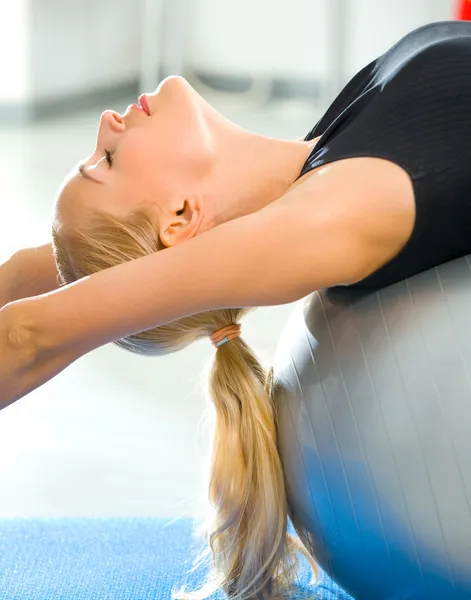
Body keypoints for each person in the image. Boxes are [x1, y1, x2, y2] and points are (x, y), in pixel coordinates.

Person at [3, 18, 471, 600]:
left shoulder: (325, 160)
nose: (106, 124)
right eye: (108, 161)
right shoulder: (338, 212)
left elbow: (39, 274)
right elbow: (27, 334)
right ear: (178, 217)